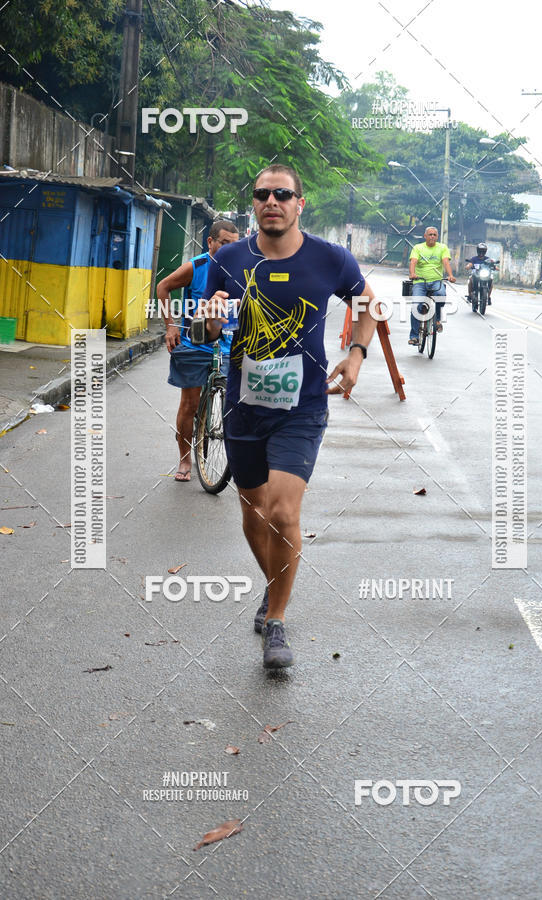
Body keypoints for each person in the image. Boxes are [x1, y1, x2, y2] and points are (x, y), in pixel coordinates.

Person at [203, 163, 377, 669]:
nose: (271, 201)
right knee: (254, 513)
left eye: (283, 194)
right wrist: (209, 322)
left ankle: (276, 620)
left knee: (282, 513)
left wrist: (357, 354)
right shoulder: (229, 259)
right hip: (243, 407)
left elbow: (368, 305)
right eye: (262, 194)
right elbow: (207, 331)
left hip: (301, 408)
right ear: (253, 204)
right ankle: (273, 585)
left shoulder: (329, 258)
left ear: (300, 203)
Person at [157, 219, 239, 481]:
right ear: (211, 242)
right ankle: (184, 460)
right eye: (224, 244)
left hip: (228, 346)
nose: (228, 250)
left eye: (234, 246)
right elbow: (163, 287)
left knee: (238, 405)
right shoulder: (198, 266)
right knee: (189, 404)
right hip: (195, 343)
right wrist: (170, 326)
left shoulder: (242, 268)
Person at [407, 226, 455, 345]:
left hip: (436, 281)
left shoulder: (442, 248)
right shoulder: (418, 248)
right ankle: (414, 336)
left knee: (441, 295)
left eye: (434, 235)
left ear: (437, 237)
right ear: (425, 236)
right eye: (430, 234)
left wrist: (450, 275)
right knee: (416, 306)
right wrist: (412, 273)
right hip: (420, 282)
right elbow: (413, 261)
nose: (432, 236)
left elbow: (445, 261)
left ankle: (437, 320)